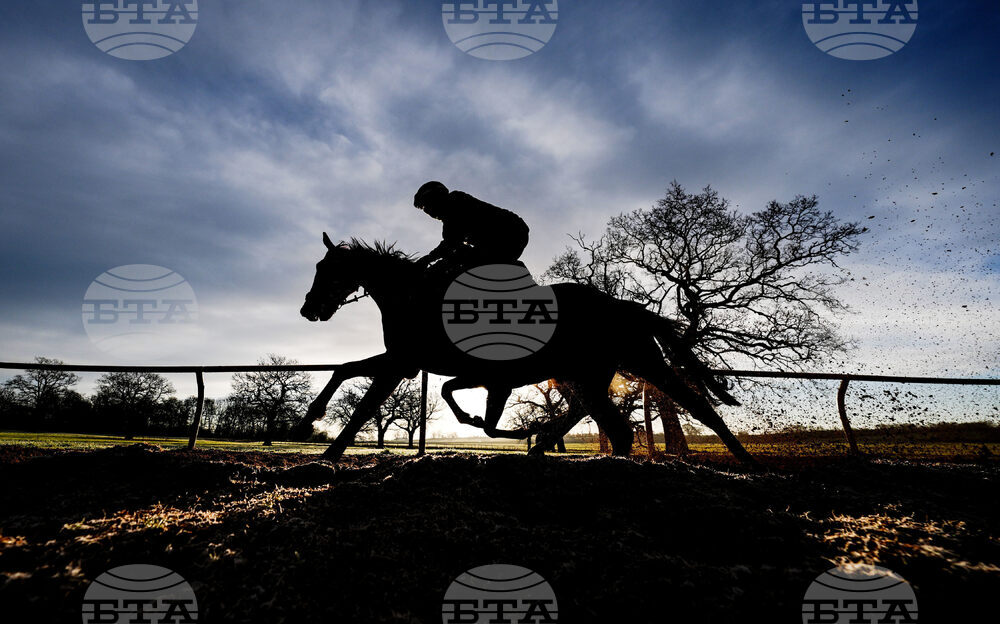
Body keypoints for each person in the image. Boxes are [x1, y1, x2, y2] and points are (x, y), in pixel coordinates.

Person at [413, 181, 529, 273]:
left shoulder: (455, 203)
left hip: (509, 234)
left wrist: (427, 259)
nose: (428, 212)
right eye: (425, 209)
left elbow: (450, 243)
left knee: (461, 264)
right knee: (462, 260)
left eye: (426, 206)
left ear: (436, 197)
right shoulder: (451, 212)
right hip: (506, 236)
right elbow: (451, 243)